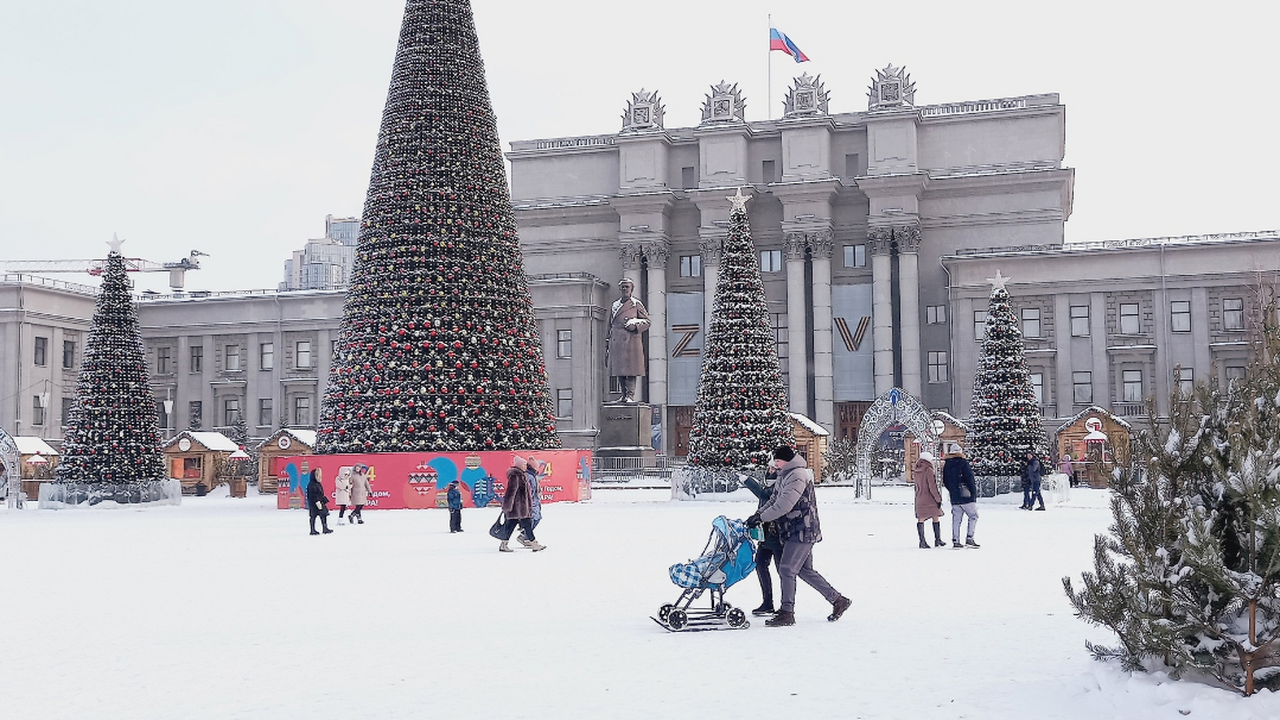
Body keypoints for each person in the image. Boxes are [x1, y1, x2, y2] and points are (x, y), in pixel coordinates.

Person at [747, 446, 851, 627]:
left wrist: (762, 517)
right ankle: (838, 600)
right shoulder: (785, 474)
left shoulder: (797, 475)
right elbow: (774, 499)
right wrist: (758, 515)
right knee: (804, 570)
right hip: (793, 529)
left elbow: (783, 505)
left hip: (802, 529)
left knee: (787, 568)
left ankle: (787, 612)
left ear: (786, 460)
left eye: (777, 460)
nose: (775, 464)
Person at [743, 466, 783, 615]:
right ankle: (767, 602)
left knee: (782, 571)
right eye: (770, 468)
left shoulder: (776, 490)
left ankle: (785, 605)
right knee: (760, 565)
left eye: (774, 468)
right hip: (765, 537)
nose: (770, 470)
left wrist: (748, 481)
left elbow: (762, 495)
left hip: (777, 537)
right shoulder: (769, 488)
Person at [606, 278, 650, 403]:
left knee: (630, 370)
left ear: (631, 289)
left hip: (631, 341)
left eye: (627, 287)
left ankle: (630, 395)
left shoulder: (636, 304)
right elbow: (609, 325)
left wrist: (634, 325)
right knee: (619, 370)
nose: (624, 289)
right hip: (617, 342)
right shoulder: (615, 305)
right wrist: (607, 342)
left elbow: (647, 321)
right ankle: (624, 394)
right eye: (623, 287)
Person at [498, 455, 544, 552]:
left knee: (512, 525)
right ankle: (533, 543)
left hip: (522, 506)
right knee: (526, 525)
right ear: (519, 465)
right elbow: (511, 491)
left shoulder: (522, 475)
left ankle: (504, 544)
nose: (525, 466)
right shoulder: (516, 476)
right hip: (518, 506)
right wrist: (507, 506)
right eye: (523, 464)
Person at [942, 444, 979, 548]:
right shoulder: (963, 463)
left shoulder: (947, 464)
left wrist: (953, 490)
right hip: (966, 495)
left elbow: (945, 480)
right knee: (973, 516)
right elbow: (969, 478)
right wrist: (973, 493)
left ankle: (955, 540)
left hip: (954, 496)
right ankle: (970, 538)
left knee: (956, 519)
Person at [911, 452, 946, 549]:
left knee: (921, 518)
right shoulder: (928, 470)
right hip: (930, 498)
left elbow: (916, 486)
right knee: (935, 516)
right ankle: (937, 539)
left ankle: (922, 541)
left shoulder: (916, 470)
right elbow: (932, 486)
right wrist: (938, 498)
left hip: (919, 497)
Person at [516, 458, 544, 548]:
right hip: (531, 502)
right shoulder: (529, 476)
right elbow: (529, 489)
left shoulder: (534, 475)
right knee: (532, 519)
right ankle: (527, 538)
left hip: (535, 501)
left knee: (537, 518)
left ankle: (526, 536)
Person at [305, 469, 333, 535]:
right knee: (313, 516)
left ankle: (325, 528)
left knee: (323, 515)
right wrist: (317, 501)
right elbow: (312, 495)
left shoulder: (318, 484)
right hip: (314, 503)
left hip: (320, 502)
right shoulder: (312, 484)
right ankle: (312, 529)